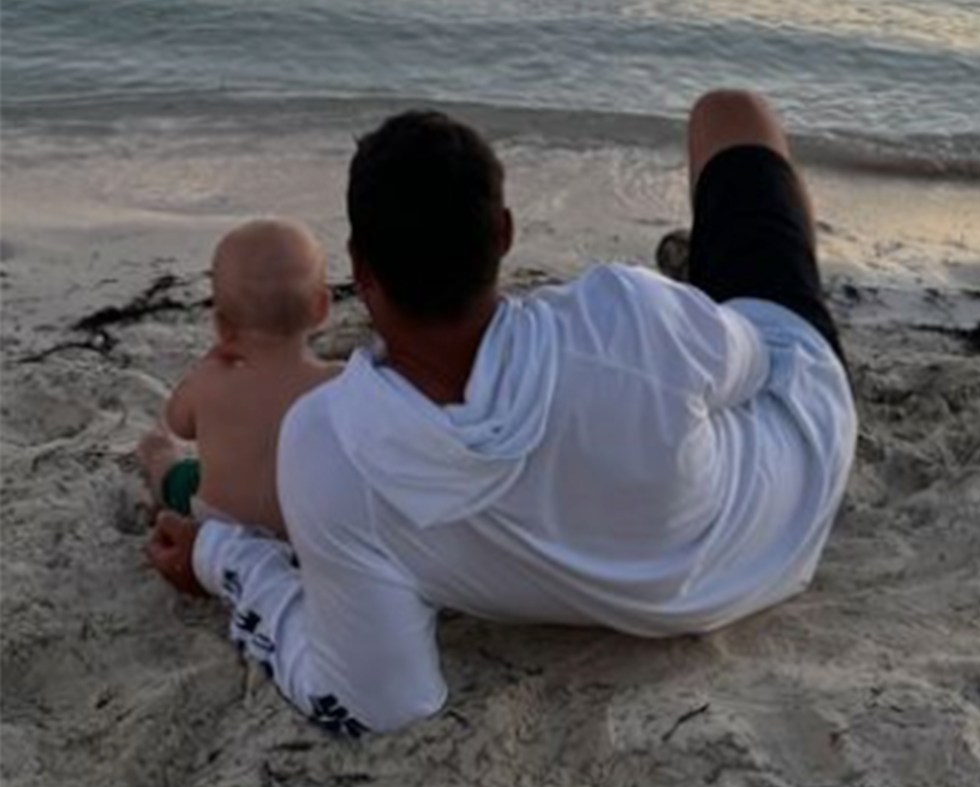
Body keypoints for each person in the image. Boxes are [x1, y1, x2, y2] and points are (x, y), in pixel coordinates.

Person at [146, 91, 857, 737]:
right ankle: (697, 261)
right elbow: (762, 362)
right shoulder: (626, 317)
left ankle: (698, 269)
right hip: (803, 467)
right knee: (730, 114)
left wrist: (221, 555)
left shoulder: (333, 444)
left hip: (709, 580)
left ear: (360, 271)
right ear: (506, 234)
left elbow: (377, 703)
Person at [138, 218, 340, 540]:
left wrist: (204, 372)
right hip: (298, 531)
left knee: (169, 462)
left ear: (221, 325)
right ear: (321, 308)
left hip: (217, 526)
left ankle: (154, 460)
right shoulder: (339, 384)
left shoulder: (210, 381)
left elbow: (179, 423)